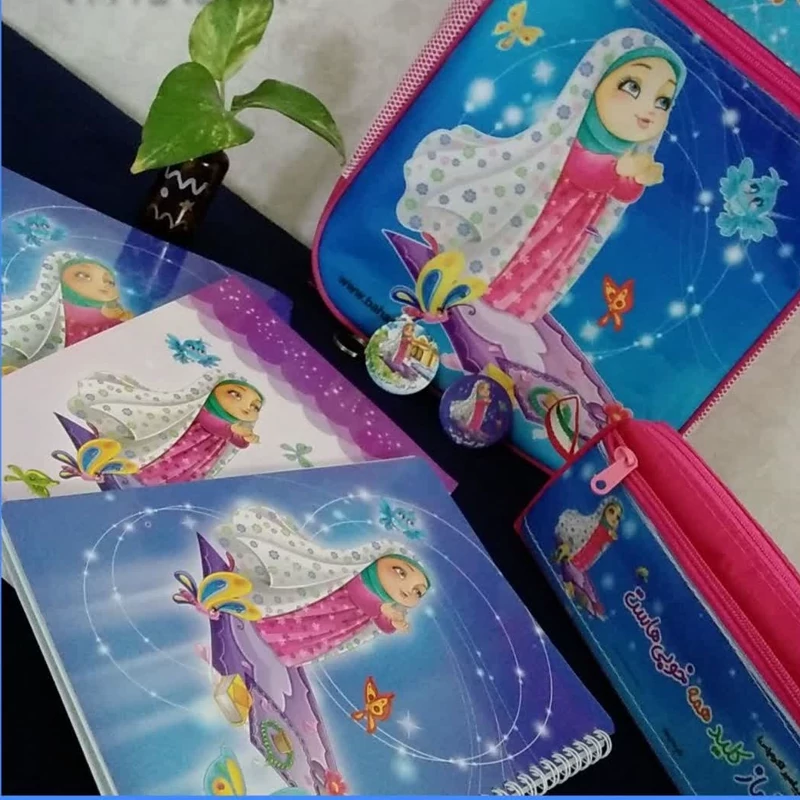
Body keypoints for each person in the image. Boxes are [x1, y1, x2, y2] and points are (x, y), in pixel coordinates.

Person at [397, 28, 686, 323]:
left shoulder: (625, 153)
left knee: (546, 260)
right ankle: (482, 293)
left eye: (663, 101)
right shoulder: (575, 132)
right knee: (518, 249)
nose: (649, 109)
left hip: (572, 227)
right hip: (541, 211)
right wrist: (620, 170)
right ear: (597, 80)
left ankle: (510, 306)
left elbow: (621, 194)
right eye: (632, 86)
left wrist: (637, 179)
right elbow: (581, 167)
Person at [216, 506, 431, 667]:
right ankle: (260, 621)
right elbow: (357, 591)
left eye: (418, 592)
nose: (408, 589)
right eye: (400, 572)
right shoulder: (361, 574)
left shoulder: (388, 604)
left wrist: (393, 622)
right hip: (324, 606)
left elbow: (382, 626)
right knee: (294, 619)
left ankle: (277, 649)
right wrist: (380, 609)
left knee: (306, 638)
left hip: (337, 626)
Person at [66, 372, 263, 485]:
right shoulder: (205, 409)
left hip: (201, 456)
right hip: (182, 445)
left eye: (255, 406)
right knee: (163, 462)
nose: (247, 407)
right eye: (235, 394)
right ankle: (138, 475)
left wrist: (244, 439)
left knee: (184, 472)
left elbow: (237, 442)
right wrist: (232, 431)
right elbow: (209, 422)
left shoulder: (233, 426)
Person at [2, 252, 134, 371]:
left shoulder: (107, 317)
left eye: (110, 282)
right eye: (83, 275)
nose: (103, 284)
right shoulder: (50, 310)